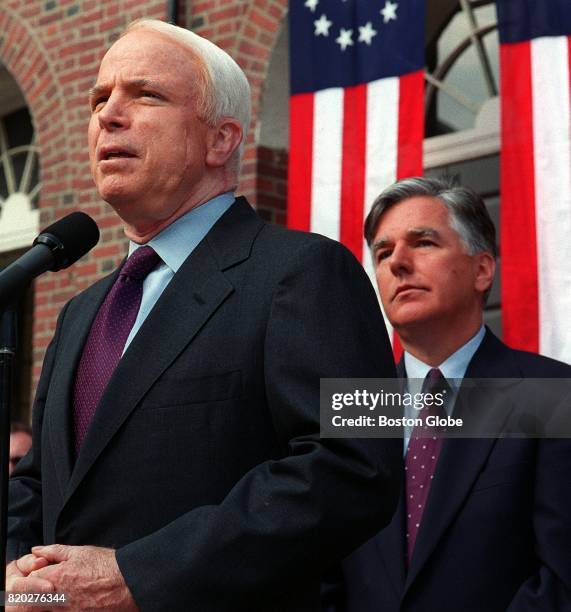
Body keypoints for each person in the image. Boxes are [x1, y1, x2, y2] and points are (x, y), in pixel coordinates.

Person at [6, 19, 401, 612]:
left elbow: (355, 467)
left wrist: (138, 575)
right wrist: (22, 586)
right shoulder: (80, 312)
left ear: (221, 139)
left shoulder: (313, 270)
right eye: (98, 99)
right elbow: (41, 485)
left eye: (145, 95)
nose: (108, 115)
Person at [327, 177, 571, 611]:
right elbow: (323, 575)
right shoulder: (356, 407)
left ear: (482, 270)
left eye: (422, 243)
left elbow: (561, 580)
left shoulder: (551, 395)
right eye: (383, 253)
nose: (398, 263)